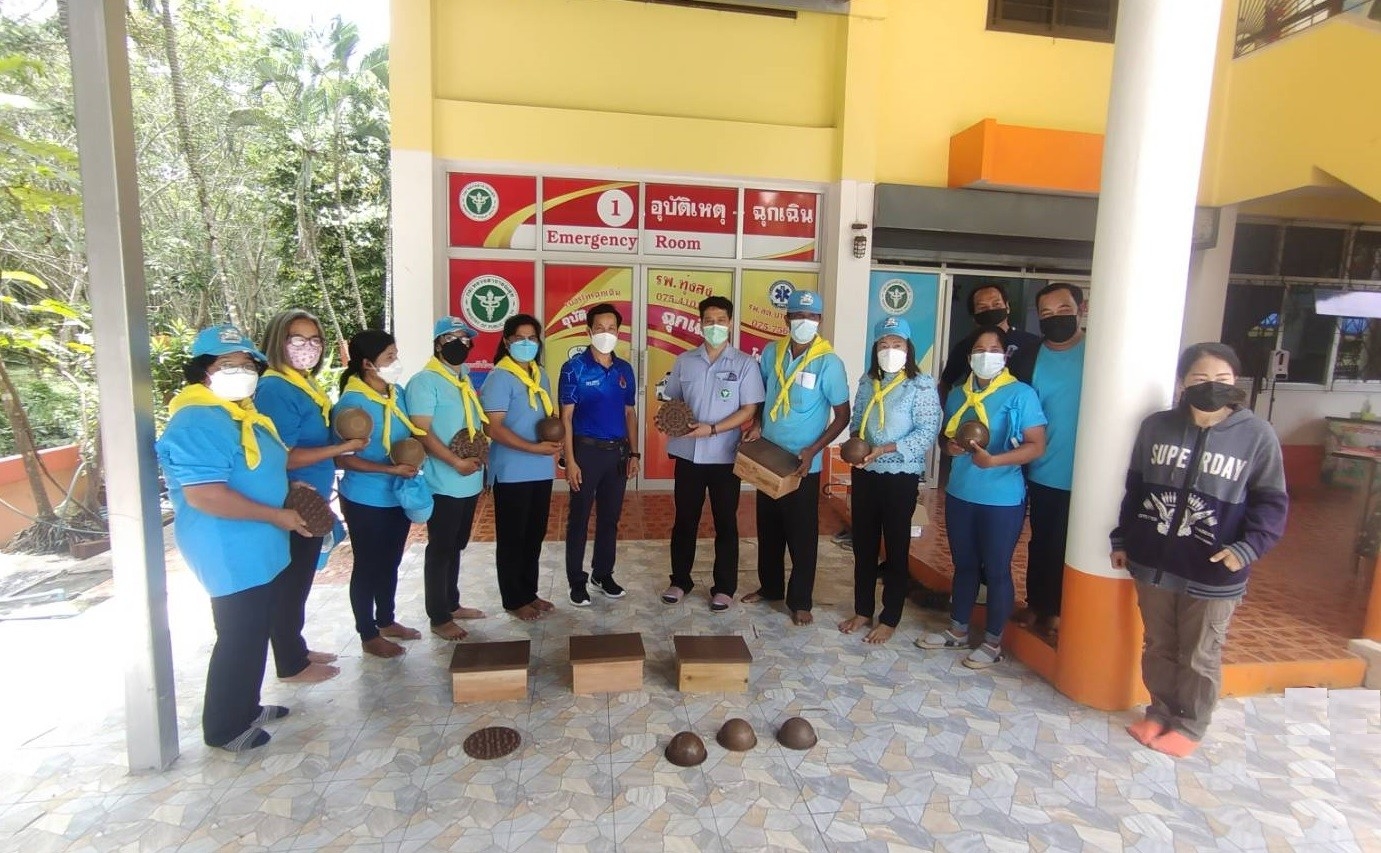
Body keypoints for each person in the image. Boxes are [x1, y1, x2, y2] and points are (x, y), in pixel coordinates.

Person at [1113, 342, 1287, 758]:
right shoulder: (1156, 427)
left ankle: (1190, 724)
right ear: (1183, 383)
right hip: (1155, 564)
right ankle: (1159, 711)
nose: (1212, 386)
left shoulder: (1257, 436)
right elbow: (1136, 488)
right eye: (1201, 378)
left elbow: (1272, 503)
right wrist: (1124, 539)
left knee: (1200, 653)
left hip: (1214, 569)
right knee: (1158, 645)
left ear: (1236, 383)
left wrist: (1246, 549)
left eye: (1222, 379)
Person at [156, 324, 311, 751]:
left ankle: (247, 704)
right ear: (202, 371)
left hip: (259, 539)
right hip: (227, 543)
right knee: (239, 632)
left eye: (247, 364)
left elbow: (259, 468)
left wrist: (289, 490)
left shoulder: (240, 413)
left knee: (256, 627)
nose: (241, 372)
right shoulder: (196, 419)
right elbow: (206, 495)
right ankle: (224, 726)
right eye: (228, 364)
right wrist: (275, 513)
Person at [916, 327, 1046, 669]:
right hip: (961, 493)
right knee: (965, 564)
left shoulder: (1021, 394)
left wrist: (995, 461)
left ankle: (992, 642)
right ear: (969, 356)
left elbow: (1036, 445)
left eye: (993, 349)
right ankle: (957, 630)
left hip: (1002, 498)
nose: (985, 355)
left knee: (998, 568)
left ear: (1005, 356)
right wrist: (950, 447)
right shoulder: (959, 394)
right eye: (979, 349)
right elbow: (946, 438)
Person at [254, 310, 359, 683]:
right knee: (291, 580)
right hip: (293, 499)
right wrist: (341, 448)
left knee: (300, 579)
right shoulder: (275, 388)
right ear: (278, 342)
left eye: (314, 340)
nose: (308, 348)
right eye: (297, 340)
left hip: (312, 497)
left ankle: (295, 647)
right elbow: (283, 454)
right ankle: (290, 663)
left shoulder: (303, 383)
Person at [742, 289, 850, 626]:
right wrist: (757, 423)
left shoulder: (828, 362)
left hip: (803, 462)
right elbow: (762, 394)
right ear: (787, 318)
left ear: (820, 320)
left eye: (812, 316)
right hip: (768, 454)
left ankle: (800, 600)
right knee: (768, 527)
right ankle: (770, 587)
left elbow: (842, 416)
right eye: (798, 316)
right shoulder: (772, 352)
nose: (805, 321)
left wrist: (814, 450)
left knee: (802, 534)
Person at [838, 317, 943, 644]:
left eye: (897, 344)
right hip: (865, 471)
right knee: (863, 544)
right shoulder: (868, 381)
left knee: (896, 546)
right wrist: (856, 443)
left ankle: (890, 617)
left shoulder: (921, 385)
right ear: (875, 349)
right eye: (883, 344)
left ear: (908, 348)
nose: (890, 350)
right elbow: (858, 419)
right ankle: (863, 610)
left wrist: (884, 449)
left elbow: (927, 431)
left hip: (900, 474)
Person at [659, 296, 765, 612]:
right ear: (700, 323)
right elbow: (674, 400)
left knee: (725, 523)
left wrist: (713, 429)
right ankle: (680, 581)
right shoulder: (685, 361)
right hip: (688, 454)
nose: (714, 326)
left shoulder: (745, 364)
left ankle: (724, 587)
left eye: (720, 320)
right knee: (684, 520)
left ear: (730, 323)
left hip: (724, 455)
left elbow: (749, 409)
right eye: (709, 321)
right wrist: (671, 418)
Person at [333, 330, 425, 659]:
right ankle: (368, 633)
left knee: (391, 560)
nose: (395, 363)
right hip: (365, 498)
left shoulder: (396, 394)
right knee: (368, 565)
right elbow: (343, 458)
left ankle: (386, 620)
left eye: (395, 356)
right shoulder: (351, 404)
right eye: (389, 358)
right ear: (367, 364)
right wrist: (389, 470)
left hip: (395, 495)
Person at [404, 317, 489, 642]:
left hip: (469, 479)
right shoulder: (425, 382)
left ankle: (452, 603)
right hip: (444, 480)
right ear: (438, 344)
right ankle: (438, 616)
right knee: (440, 548)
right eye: (451, 338)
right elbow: (421, 431)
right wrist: (454, 461)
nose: (459, 344)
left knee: (457, 544)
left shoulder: (462, 379)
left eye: (465, 339)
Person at [1012, 283, 1086, 636]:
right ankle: (1038, 603)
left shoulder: (1101, 353)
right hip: (1044, 467)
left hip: (1090, 474)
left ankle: (1063, 609)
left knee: (1079, 544)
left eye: (1064, 310)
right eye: (1047, 313)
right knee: (1043, 540)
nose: (1056, 318)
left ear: (1081, 309)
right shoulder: (1029, 357)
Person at [481, 313, 561, 621]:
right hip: (512, 469)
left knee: (534, 534)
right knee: (512, 537)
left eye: (532, 338)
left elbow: (546, 417)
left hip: (540, 468)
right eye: (519, 338)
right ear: (506, 341)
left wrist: (556, 439)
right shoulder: (500, 377)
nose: (526, 344)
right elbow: (493, 428)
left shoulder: (540, 374)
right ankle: (513, 599)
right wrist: (532, 448)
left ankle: (529, 592)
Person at [558, 303, 639, 606]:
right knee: (578, 519)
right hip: (586, 453)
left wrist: (635, 453)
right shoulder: (574, 368)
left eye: (612, 328)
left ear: (619, 331)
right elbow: (566, 417)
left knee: (610, 518)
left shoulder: (624, 369)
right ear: (589, 331)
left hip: (617, 454)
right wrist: (570, 460)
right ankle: (576, 581)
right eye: (600, 328)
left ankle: (603, 574)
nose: (607, 333)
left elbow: (629, 413)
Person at [938, 282, 1042, 400]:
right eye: (983, 307)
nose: (991, 310)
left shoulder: (1031, 343)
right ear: (974, 316)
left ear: (1007, 307)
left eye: (996, 304)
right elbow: (945, 383)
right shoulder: (965, 346)